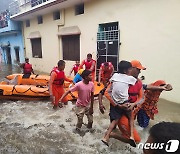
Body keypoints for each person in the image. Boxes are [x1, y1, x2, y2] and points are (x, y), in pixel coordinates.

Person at [102, 60, 146, 147]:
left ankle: (109, 135)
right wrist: (117, 105)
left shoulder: (137, 82)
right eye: (138, 69)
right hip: (119, 108)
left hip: (129, 108)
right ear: (131, 69)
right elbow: (105, 92)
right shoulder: (127, 80)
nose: (140, 71)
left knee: (116, 123)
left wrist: (134, 104)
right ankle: (110, 135)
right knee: (137, 140)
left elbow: (142, 97)